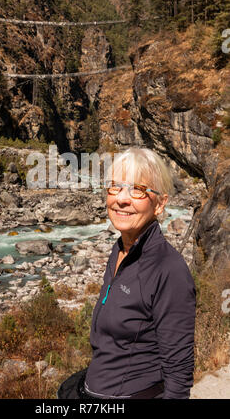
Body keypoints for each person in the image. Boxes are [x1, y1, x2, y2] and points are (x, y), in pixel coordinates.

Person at [57, 147, 196, 400]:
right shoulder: (119, 249)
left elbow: (178, 376)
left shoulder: (169, 270)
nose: (122, 199)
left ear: (160, 203)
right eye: (115, 187)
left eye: (137, 189)